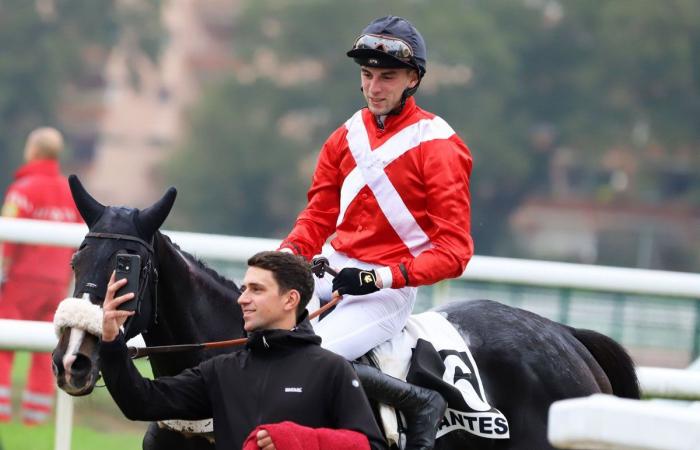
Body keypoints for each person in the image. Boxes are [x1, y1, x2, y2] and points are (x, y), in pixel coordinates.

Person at [278, 16, 473, 450]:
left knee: (308, 359)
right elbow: (318, 215)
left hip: (386, 289)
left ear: (413, 80)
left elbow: (455, 252)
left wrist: (378, 278)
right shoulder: (345, 136)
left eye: (387, 77)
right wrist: (287, 257)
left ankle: (420, 402)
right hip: (329, 269)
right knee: (253, 329)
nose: (374, 88)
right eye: (367, 75)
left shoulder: (439, 145)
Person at [99, 251, 386, 450]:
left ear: (290, 300)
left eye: (256, 290)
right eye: (244, 288)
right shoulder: (221, 370)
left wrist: (297, 440)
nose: (242, 299)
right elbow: (141, 402)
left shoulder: (331, 369)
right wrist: (112, 341)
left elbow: (368, 445)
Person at [0, 127, 80, 424]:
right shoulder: (71, 192)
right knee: (46, 348)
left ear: (33, 151)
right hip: (57, 284)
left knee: (4, 345)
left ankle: (2, 412)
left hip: (21, 280)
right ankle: (36, 415)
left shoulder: (22, 190)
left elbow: (7, 235)